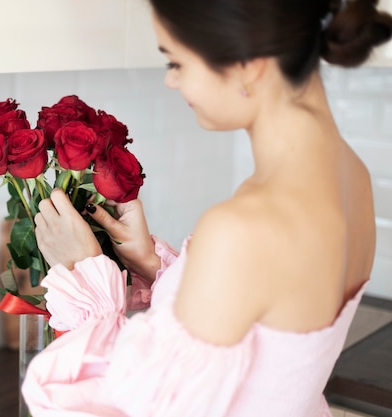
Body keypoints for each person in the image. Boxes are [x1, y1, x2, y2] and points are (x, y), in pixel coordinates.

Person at [22, 0, 392, 415]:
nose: (172, 82)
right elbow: (263, 328)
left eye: (177, 63)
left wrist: (84, 276)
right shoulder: (350, 173)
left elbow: (133, 409)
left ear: (247, 62)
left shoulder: (242, 225)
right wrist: (150, 264)